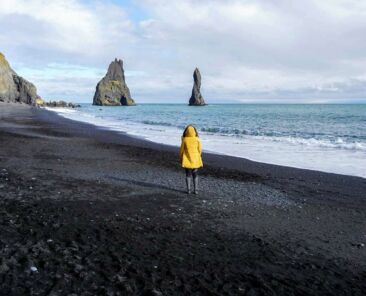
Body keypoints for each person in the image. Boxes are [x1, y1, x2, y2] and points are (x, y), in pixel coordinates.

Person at [179, 125, 203, 194]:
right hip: (196, 159)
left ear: (186, 131)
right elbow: (200, 150)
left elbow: (181, 150)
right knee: (195, 174)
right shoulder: (197, 139)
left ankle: (188, 190)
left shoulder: (185, 139)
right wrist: (199, 156)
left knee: (188, 174)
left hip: (187, 159)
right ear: (194, 131)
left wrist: (181, 157)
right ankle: (196, 190)